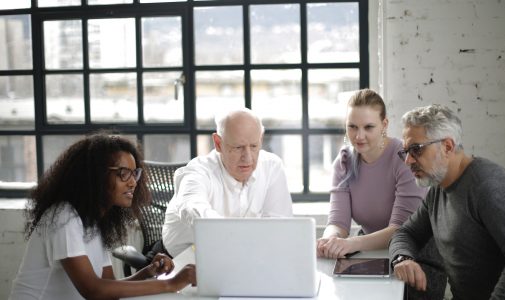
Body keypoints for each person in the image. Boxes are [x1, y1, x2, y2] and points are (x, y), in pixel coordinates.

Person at [9, 132, 196, 300]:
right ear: (95, 175)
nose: (133, 183)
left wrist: (148, 272)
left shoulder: (94, 222)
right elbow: (93, 290)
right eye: (123, 173)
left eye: (135, 174)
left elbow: (109, 287)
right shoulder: (64, 216)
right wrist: (170, 284)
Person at [390, 104, 505, 299]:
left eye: (416, 150)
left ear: (447, 146)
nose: (408, 161)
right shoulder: (438, 190)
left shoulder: (489, 186)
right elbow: (407, 233)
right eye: (405, 151)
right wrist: (402, 258)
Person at [316, 89, 447, 299]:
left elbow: (400, 231)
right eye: (352, 127)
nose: (359, 136)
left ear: (384, 125)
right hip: (370, 252)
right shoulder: (343, 163)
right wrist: (329, 240)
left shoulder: (405, 160)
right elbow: (338, 223)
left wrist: (350, 243)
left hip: (416, 256)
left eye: (368, 127)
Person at [162, 107, 293, 257]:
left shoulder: (272, 166)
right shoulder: (198, 171)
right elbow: (192, 208)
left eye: (254, 146)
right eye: (238, 147)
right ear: (218, 143)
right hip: (179, 261)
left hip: (239, 258)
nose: (248, 158)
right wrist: (236, 239)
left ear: (261, 139)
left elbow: (279, 226)